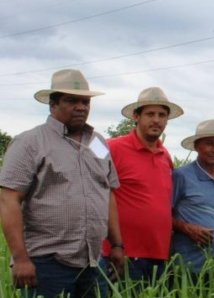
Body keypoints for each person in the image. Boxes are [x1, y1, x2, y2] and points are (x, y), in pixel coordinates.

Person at [0, 69, 123, 298]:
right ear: (53, 103)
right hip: (47, 263)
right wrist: (21, 259)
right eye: (71, 100)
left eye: (85, 101)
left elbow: (108, 192)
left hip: (93, 262)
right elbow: (9, 199)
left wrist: (117, 245)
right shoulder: (31, 142)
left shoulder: (97, 143)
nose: (81, 107)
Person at [99, 87, 184, 283]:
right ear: (136, 116)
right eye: (150, 114)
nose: (156, 120)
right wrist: (114, 246)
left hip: (158, 254)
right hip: (122, 254)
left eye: (162, 115)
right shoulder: (112, 147)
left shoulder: (166, 156)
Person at [171, 119, 214, 274]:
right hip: (188, 268)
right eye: (209, 143)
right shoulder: (181, 176)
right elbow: (163, 215)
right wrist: (187, 228)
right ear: (196, 146)